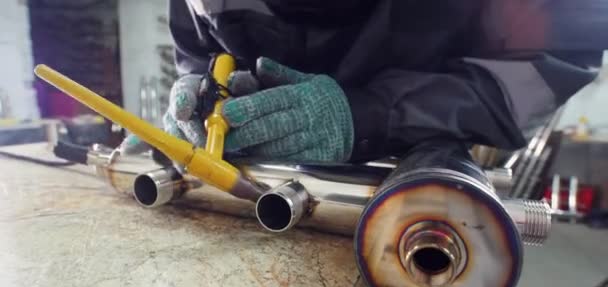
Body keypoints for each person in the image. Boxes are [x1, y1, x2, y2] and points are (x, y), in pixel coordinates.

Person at [121, 0, 596, 163]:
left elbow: (550, 61)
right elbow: (202, 51)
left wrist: (374, 114)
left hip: (408, 188)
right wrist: (200, 91)